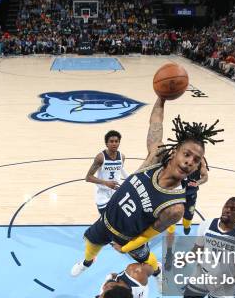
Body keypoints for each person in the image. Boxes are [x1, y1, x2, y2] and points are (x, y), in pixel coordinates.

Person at [70, 97, 223, 281]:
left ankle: (158, 272)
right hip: (107, 220)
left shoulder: (175, 208)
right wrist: (161, 98)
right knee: (92, 243)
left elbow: (150, 232)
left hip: (129, 237)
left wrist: (125, 248)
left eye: (196, 160)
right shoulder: (154, 159)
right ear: (175, 152)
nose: (190, 161)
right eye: (187, 154)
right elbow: (155, 124)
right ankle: (87, 262)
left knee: (146, 259)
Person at [85, 130, 128, 214]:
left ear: (119, 143)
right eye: (111, 141)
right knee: (106, 219)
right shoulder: (100, 157)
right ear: (106, 143)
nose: (114, 144)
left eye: (116, 141)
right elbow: (88, 177)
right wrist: (105, 183)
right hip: (102, 193)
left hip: (116, 191)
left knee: (119, 220)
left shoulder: (122, 156)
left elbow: (121, 170)